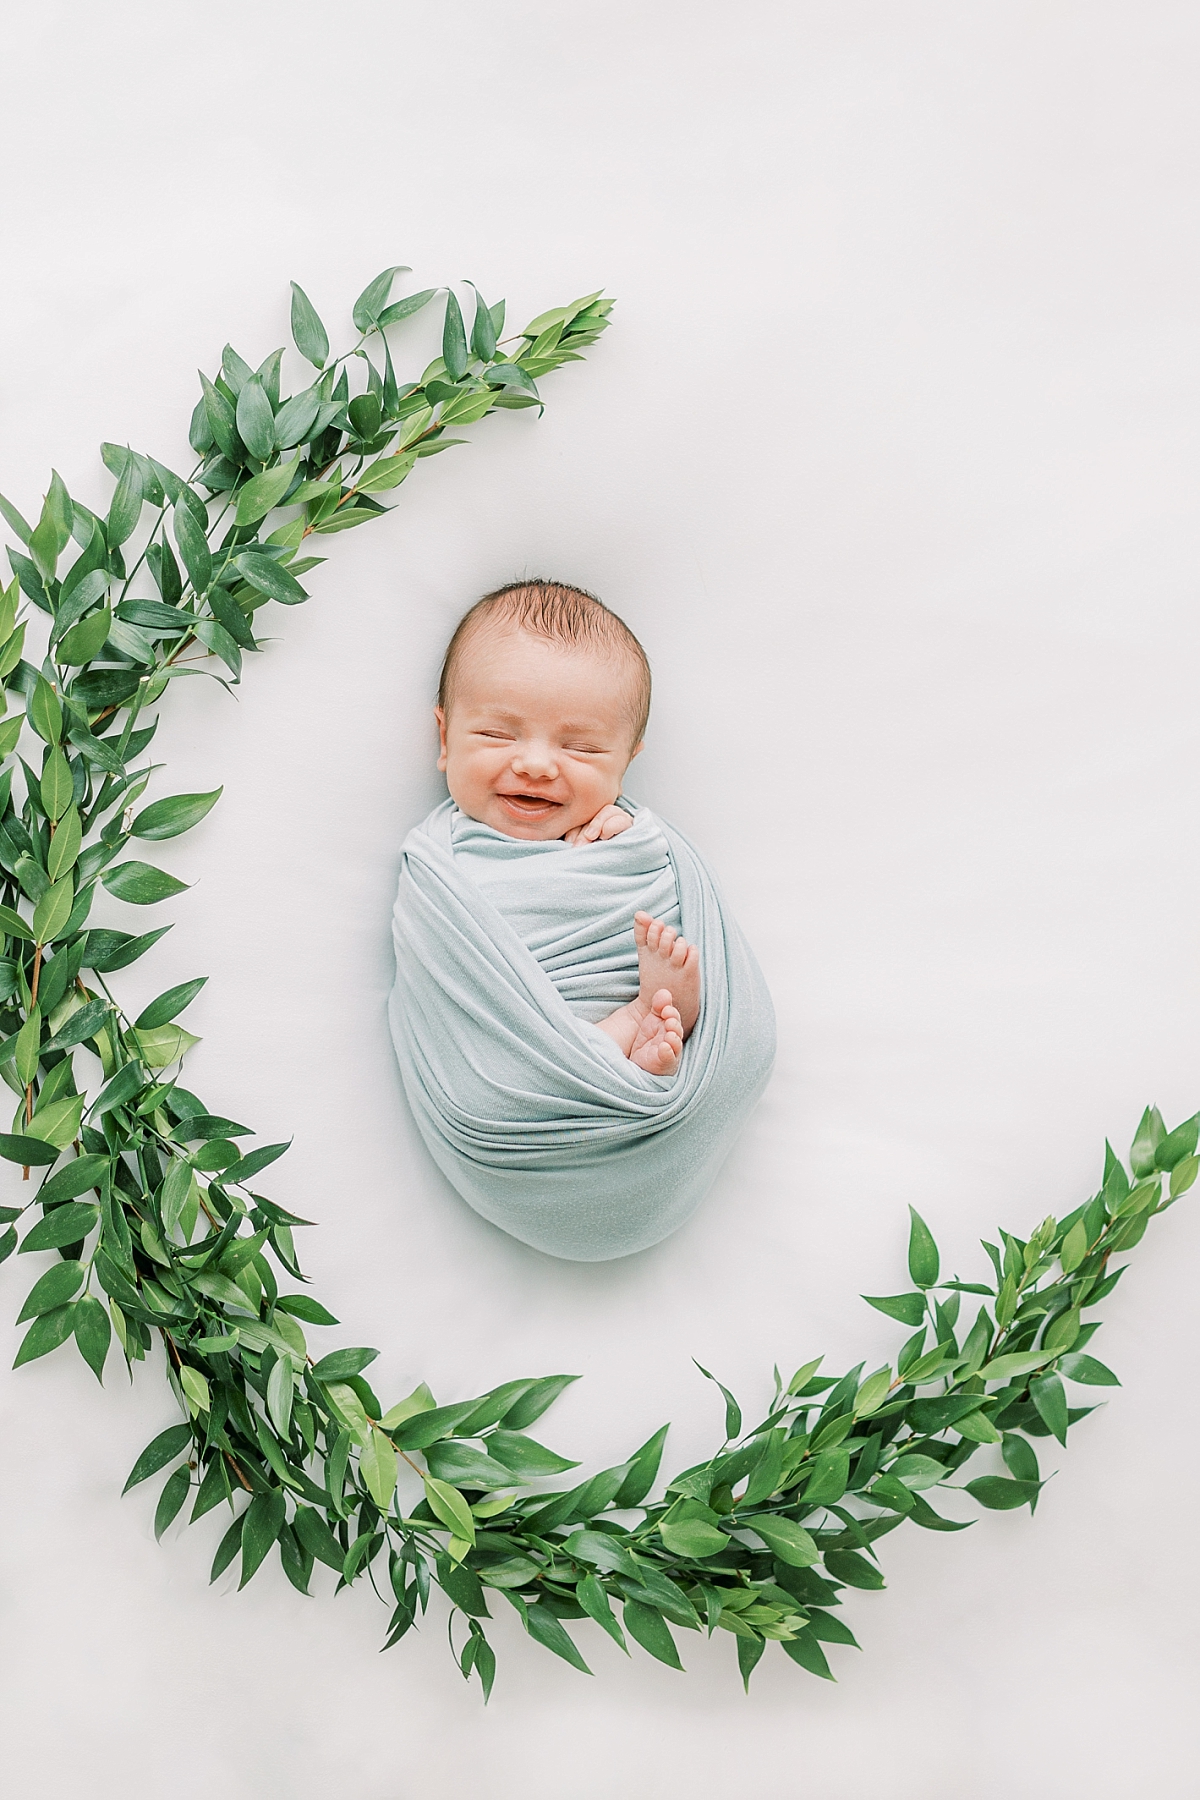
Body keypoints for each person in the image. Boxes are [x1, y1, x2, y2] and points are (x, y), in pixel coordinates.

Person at [433, 580, 698, 1074]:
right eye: (496, 734)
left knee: (658, 985)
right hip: (499, 1066)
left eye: (581, 748)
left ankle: (646, 1022)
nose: (536, 766)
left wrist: (627, 848)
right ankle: (617, 1042)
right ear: (445, 737)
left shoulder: (622, 839)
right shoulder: (437, 866)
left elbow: (656, 888)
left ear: (625, 763)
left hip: (601, 1000)